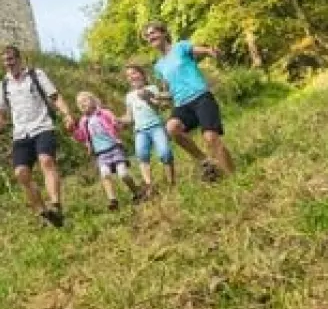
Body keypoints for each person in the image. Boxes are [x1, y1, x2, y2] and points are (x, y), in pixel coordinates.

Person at [0, 44, 74, 226]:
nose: (8, 64)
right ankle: (43, 212)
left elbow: (55, 96)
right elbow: (0, 114)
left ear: (19, 59)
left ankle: (56, 205)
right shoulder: (4, 85)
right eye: (5, 61)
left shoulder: (36, 75)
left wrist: (67, 114)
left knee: (46, 161)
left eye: (11, 59)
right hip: (21, 134)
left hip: (42, 126)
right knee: (20, 173)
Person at [142, 22, 236, 179]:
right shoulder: (158, 66)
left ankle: (232, 175)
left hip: (201, 97)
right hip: (181, 104)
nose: (151, 36)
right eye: (148, 36)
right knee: (172, 128)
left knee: (210, 138)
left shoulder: (180, 47)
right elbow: (168, 93)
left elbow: (199, 50)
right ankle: (206, 161)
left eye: (153, 32)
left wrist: (210, 51)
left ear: (164, 33)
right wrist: (152, 97)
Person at [71, 91, 142, 210]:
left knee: (123, 174)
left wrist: (117, 124)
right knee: (105, 174)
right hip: (100, 153)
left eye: (85, 100)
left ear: (93, 101)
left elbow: (115, 124)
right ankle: (113, 200)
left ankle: (136, 191)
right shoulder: (83, 121)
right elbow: (82, 137)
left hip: (114, 148)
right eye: (79, 103)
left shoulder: (103, 113)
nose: (82, 104)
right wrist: (73, 131)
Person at [120, 64, 176, 194]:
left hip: (156, 127)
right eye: (128, 75)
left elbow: (160, 107)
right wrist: (120, 120)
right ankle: (149, 186)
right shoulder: (129, 96)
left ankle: (171, 183)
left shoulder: (152, 88)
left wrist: (148, 98)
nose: (131, 77)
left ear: (143, 75)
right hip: (140, 131)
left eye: (134, 73)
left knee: (165, 153)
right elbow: (130, 117)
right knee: (142, 155)